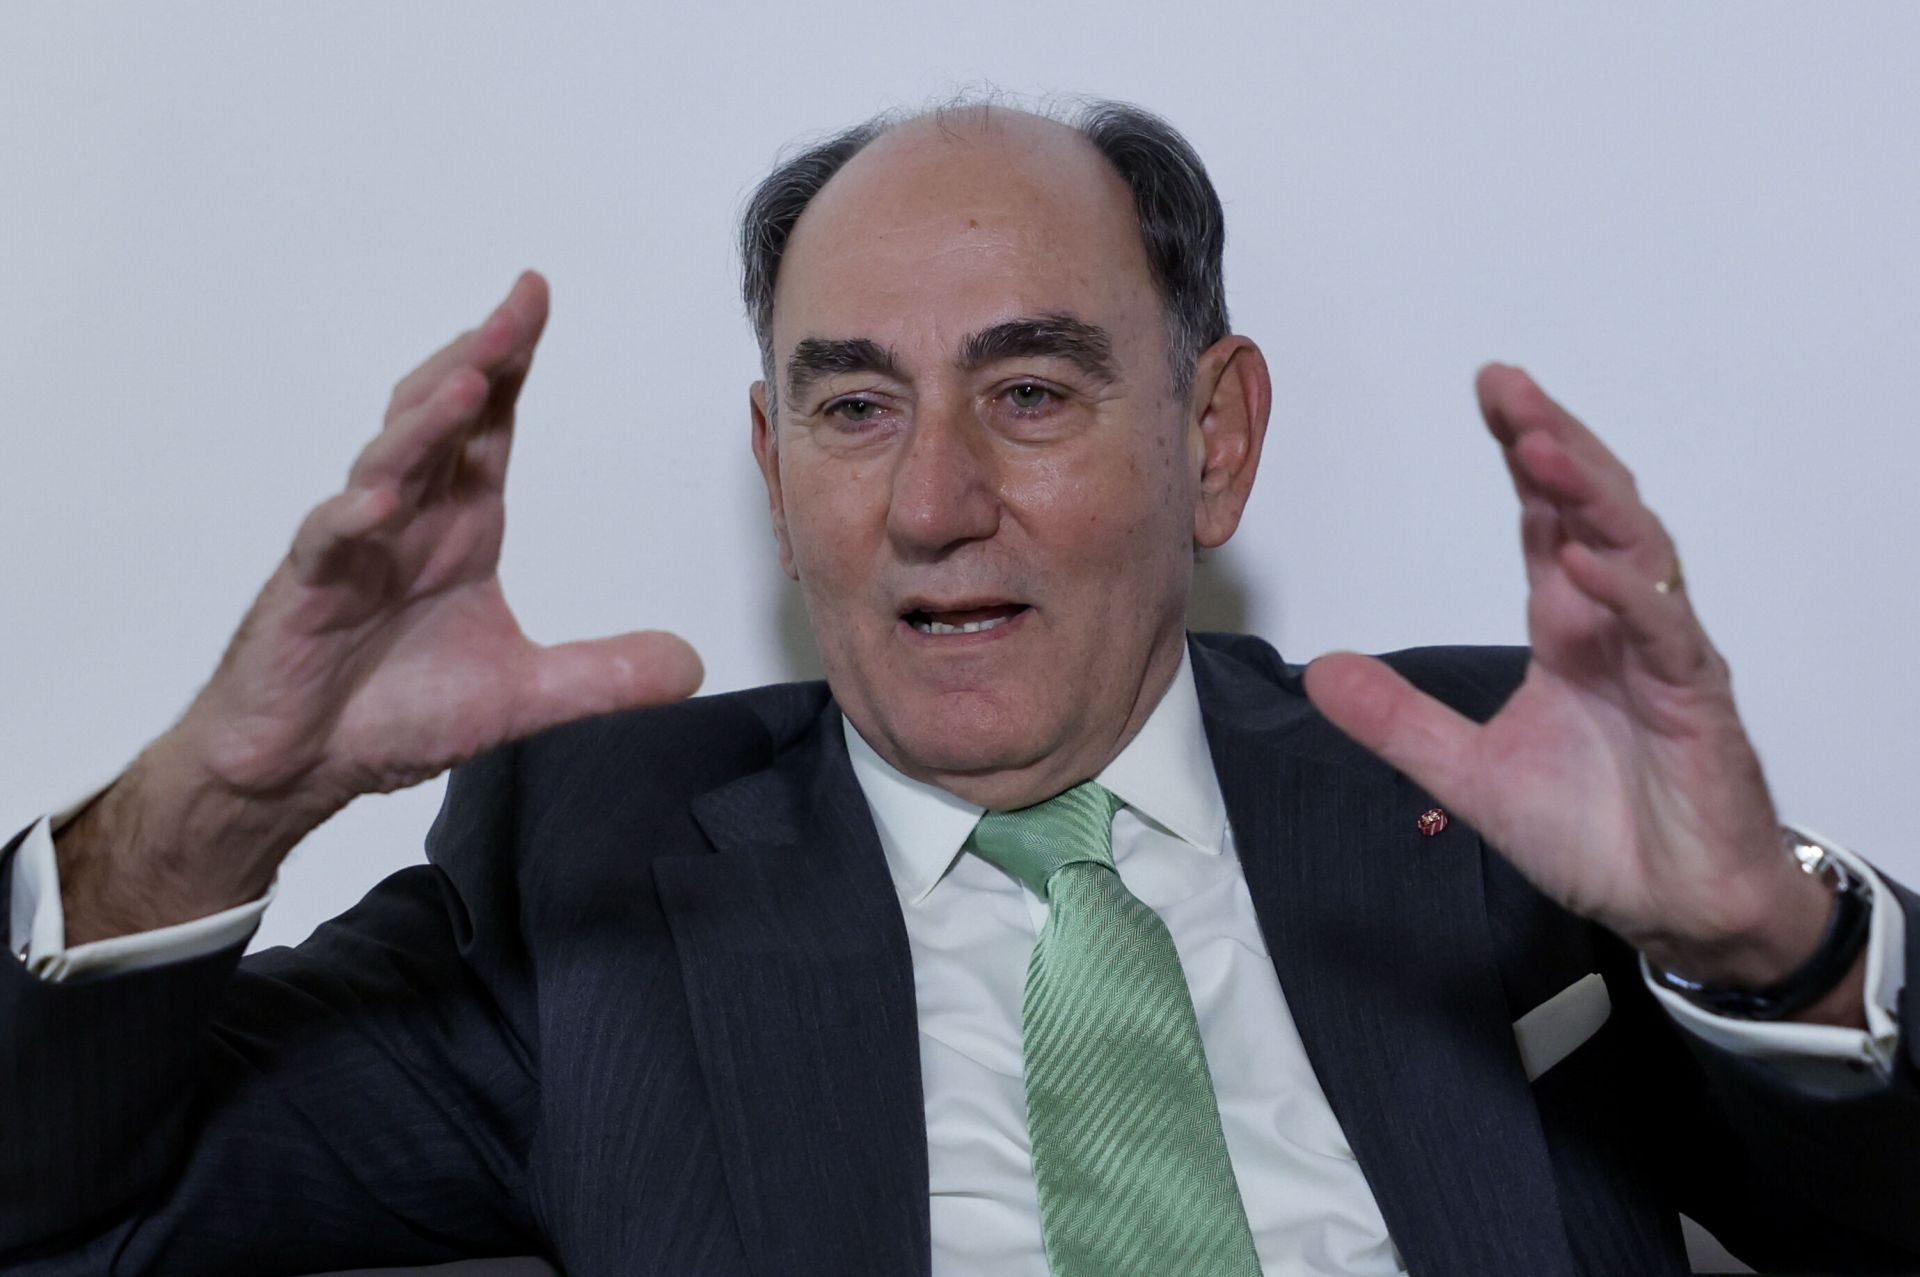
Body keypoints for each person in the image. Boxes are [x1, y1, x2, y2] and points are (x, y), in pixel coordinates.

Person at [1, 99, 1915, 1277]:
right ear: (775, 472)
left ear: (1213, 441)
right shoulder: (598, 877)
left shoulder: (1487, 784)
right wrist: (217, 799)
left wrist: (1777, 951)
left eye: (1030, 390)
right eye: (854, 407)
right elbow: (58, 1211)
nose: (932, 502)